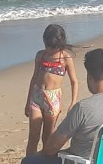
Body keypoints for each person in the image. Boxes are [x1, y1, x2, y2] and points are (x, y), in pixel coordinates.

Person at [24, 24, 77, 154]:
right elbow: (34, 78)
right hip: (37, 96)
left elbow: (74, 81)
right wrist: (28, 102)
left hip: (53, 100)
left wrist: (73, 103)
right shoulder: (40, 56)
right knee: (33, 137)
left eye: (53, 47)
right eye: (47, 46)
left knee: (47, 137)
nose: (50, 50)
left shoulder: (65, 58)